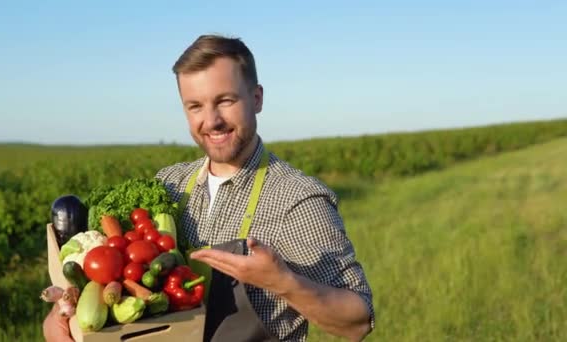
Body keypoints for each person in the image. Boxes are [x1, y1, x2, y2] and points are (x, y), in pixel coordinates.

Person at [43, 34, 374, 342]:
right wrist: (62, 319)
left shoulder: (296, 199)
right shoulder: (169, 185)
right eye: (195, 106)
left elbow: (358, 320)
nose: (211, 120)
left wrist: (282, 282)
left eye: (225, 100)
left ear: (256, 98)